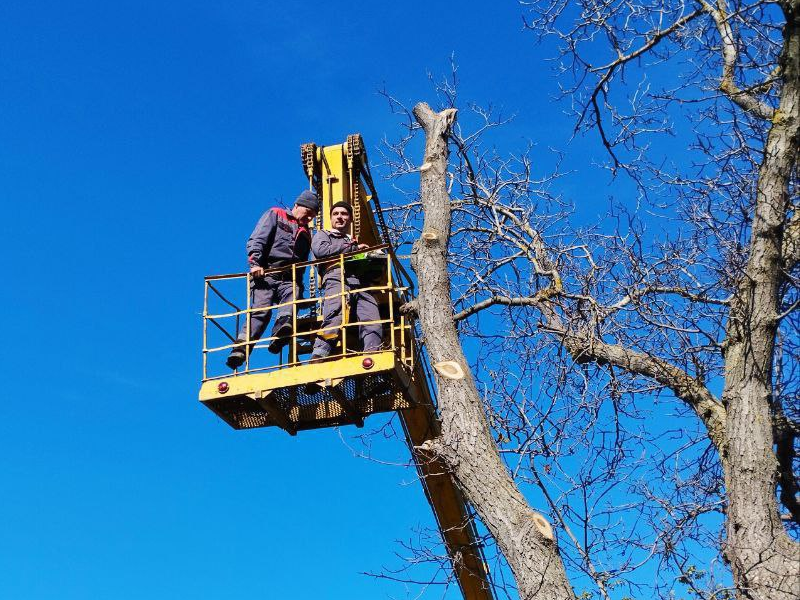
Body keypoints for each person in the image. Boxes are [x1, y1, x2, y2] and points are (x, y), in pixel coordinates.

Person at [226, 190, 319, 369]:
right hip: (266, 273)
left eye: (312, 217)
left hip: (289, 278)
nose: (308, 219)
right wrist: (255, 264)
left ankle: (280, 334)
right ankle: (240, 349)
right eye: (307, 214)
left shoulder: (307, 234)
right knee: (260, 312)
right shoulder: (276, 215)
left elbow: (303, 263)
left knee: (293, 295)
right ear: (298, 205)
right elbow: (258, 238)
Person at [309, 201, 383, 361]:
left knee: (372, 317)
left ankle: (372, 353)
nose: (340, 217)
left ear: (350, 219)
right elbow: (321, 251)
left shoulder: (354, 242)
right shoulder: (323, 235)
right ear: (331, 219)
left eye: (344, 214)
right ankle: (319, 355)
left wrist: (370, 255)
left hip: (359, 280)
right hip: (336, 276)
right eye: (336, 214)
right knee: (335, 314)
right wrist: (352, 248)